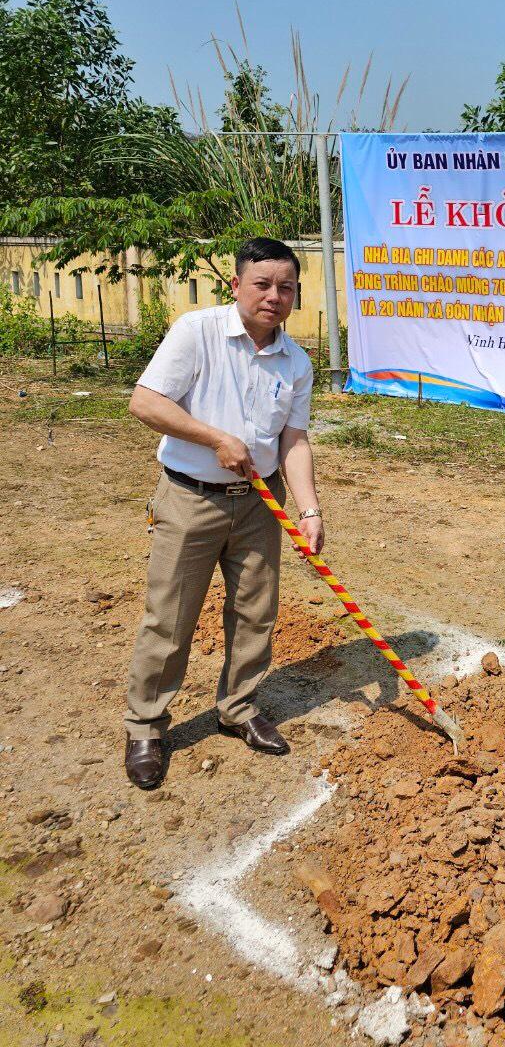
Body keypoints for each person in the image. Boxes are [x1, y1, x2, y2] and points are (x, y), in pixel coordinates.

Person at [122, 237, 324, 790]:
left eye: (286, 287)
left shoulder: (297, 361)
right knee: (171, 616)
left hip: (260, 504)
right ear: (235, 285)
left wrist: (309, 508)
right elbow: (146, 401)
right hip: (191, 497)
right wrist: (215, 438)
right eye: (262, 284)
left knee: (256, 612)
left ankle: (239, 706)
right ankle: (146, 726)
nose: (274, 296)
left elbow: (295, 440)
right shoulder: (197, 332)